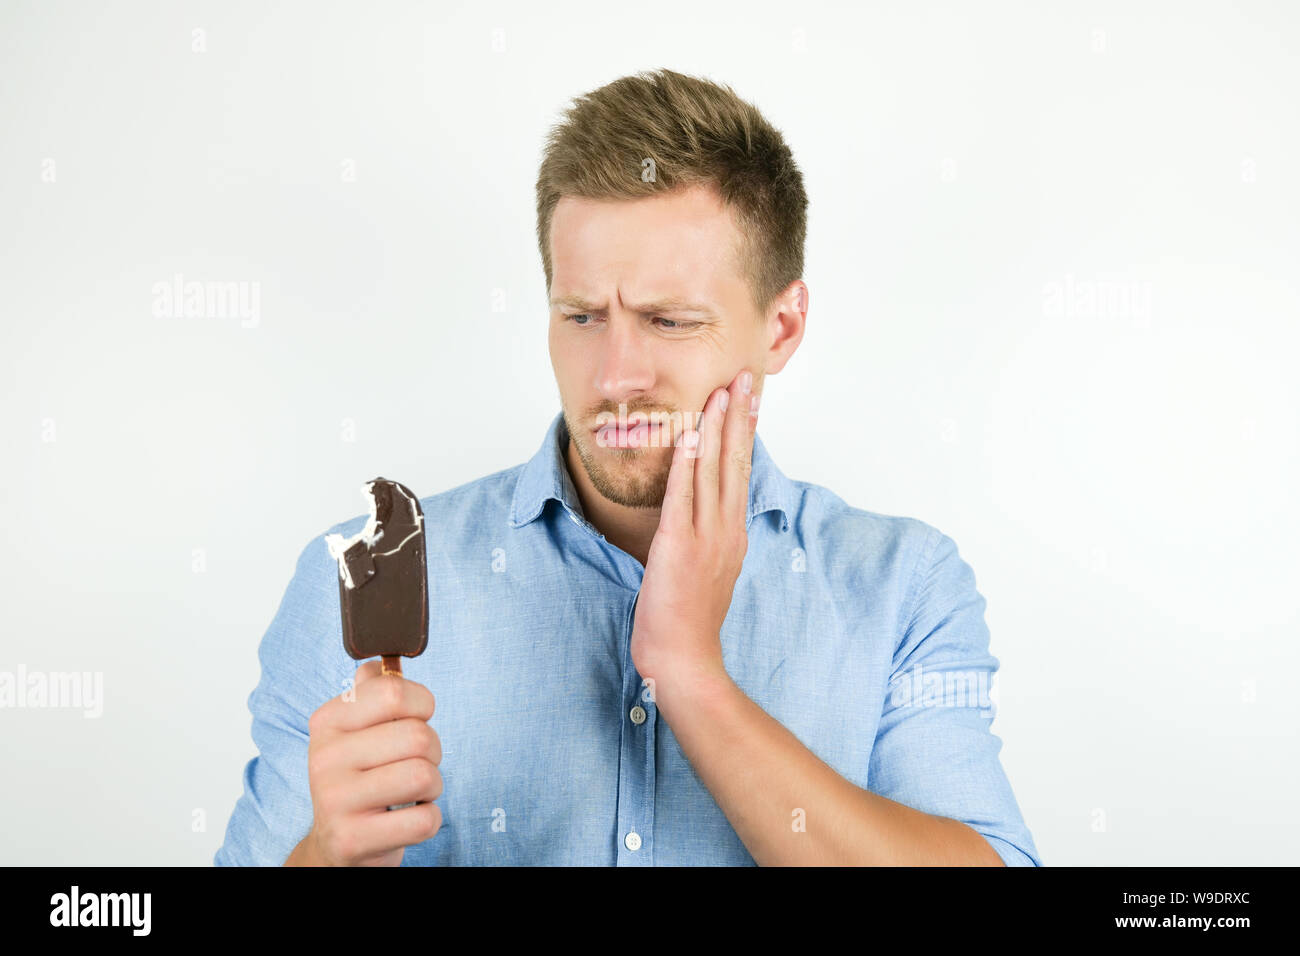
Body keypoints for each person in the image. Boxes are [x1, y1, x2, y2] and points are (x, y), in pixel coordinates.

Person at [215, 68, 1041, 867]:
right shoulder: (355, 578)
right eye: (581, 315)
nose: (615, 378)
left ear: (782, 327)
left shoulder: (904, 587)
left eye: (670, 321)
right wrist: (328, 859)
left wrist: (690, 672)